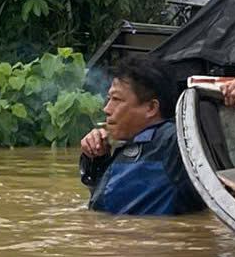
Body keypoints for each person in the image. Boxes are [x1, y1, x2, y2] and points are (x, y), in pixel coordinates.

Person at [79, 57, 204, 215]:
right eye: (109, 99)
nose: (106, 109)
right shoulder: (131, 145)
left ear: (151, 107)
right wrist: (97, 157)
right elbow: (106, 201)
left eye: (116, 99)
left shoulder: (174, 142)